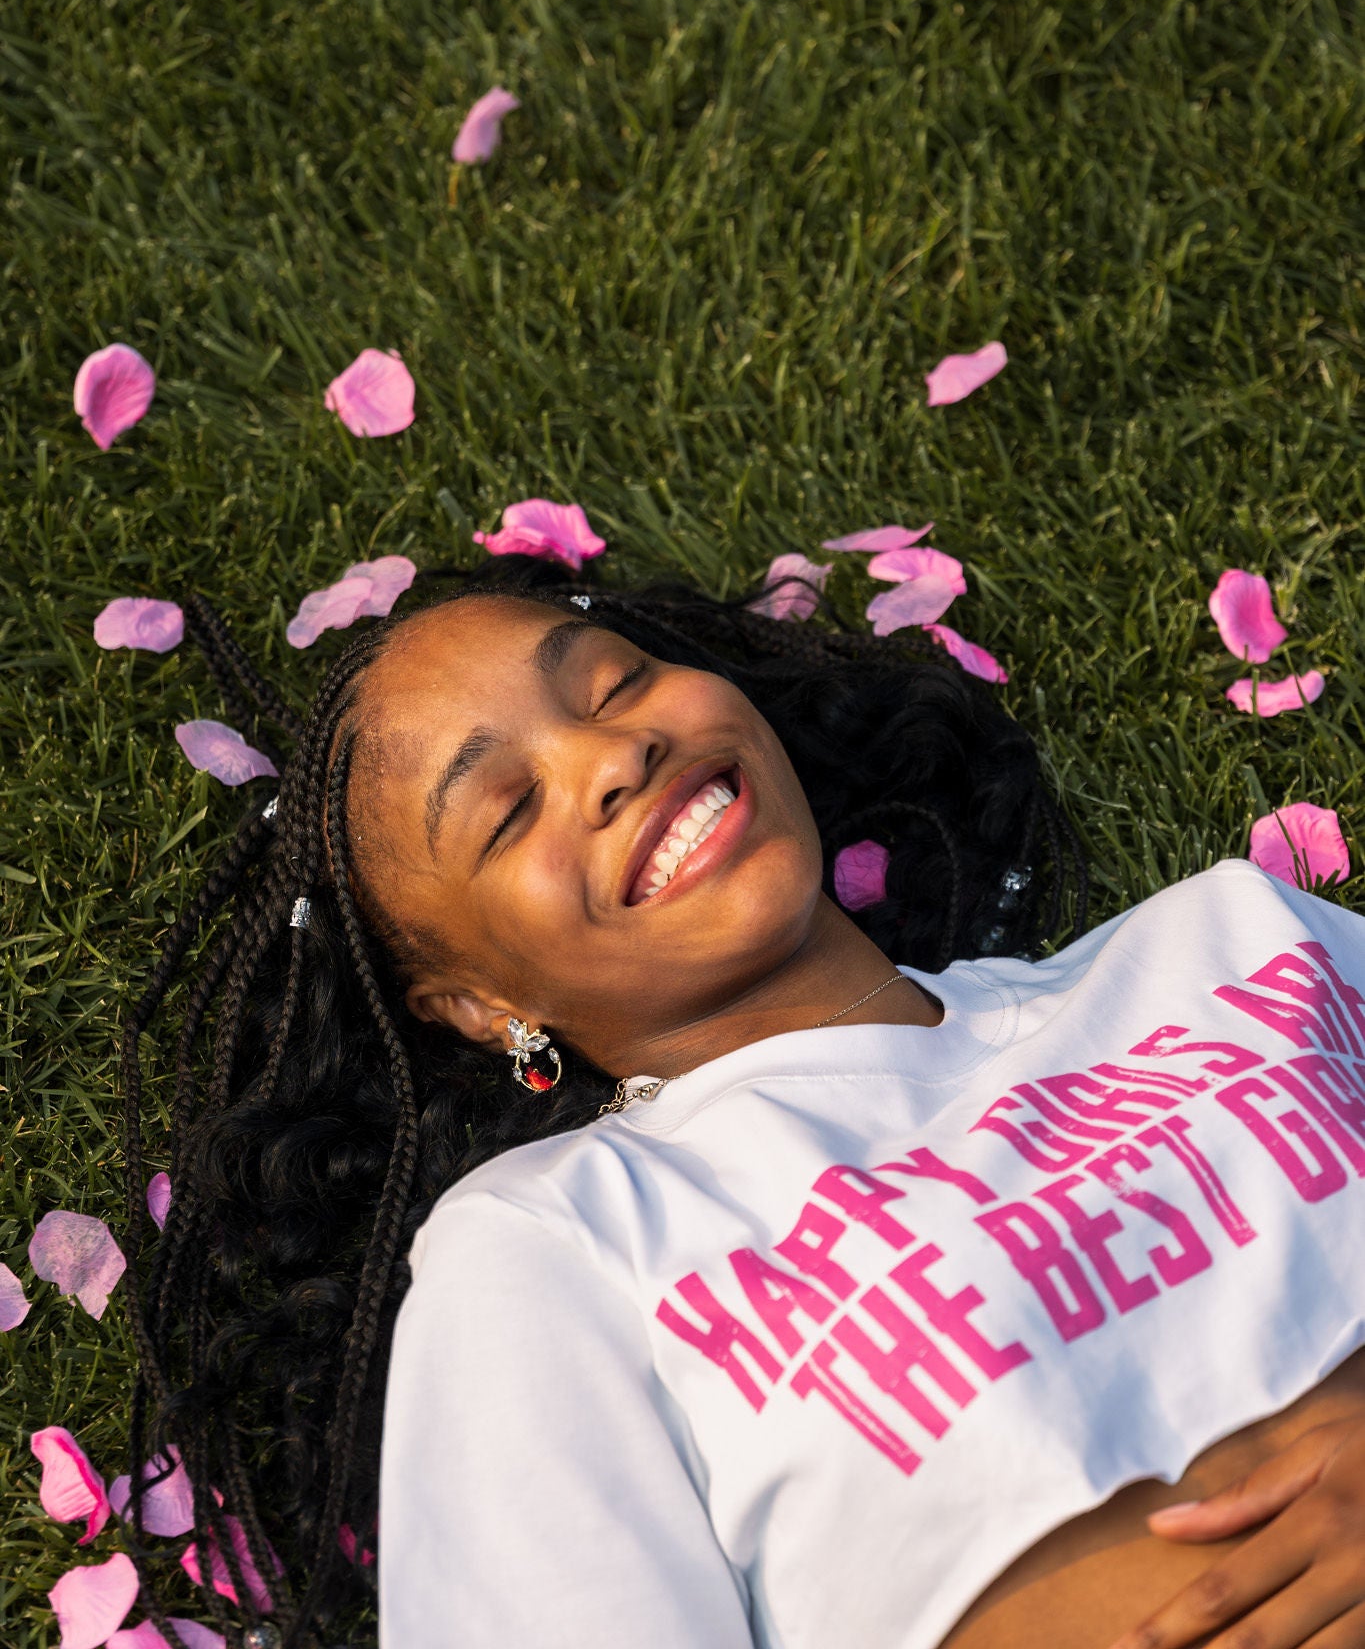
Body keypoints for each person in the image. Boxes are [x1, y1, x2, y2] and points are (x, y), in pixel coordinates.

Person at [123, 564, 1365, 1649]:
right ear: (477, 998)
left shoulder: (1235, 939)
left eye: (614, 684)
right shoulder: (557, 1243)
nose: (613, 757)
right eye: (508, 809)